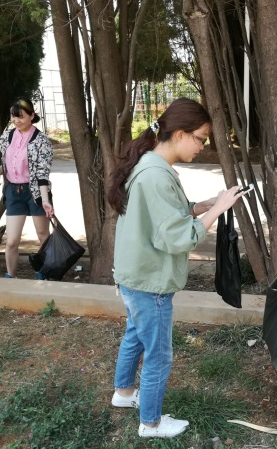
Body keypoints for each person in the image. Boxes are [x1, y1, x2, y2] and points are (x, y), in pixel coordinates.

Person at [106, 98, 244, 439]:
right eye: (200, 138)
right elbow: (179, 237)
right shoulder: (156, 175)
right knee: (159, 354)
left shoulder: (149, 164)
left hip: (134, 275)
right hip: (149, 281)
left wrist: (205, 205)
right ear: (180, 134)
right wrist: (219, 210)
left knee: (136, 334)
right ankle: (151, 423)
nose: (202, 146)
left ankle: (123, 392)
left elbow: (166, 215)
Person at [0, 98, 54, 279]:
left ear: (32, 115)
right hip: (13, 192)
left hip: (36, 192)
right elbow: (7, 164)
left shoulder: (42, 140)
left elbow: (42, 173)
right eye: (13, 117)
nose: (16, 121)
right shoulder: (6, 137)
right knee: (11, 241)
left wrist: (45, 200)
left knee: (43, 235)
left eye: (21, 117)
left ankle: (45, 273)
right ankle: (11, 277)